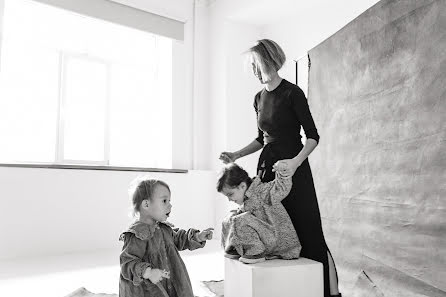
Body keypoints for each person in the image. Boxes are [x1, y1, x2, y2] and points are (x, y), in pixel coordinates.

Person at [219, 39, 341, 297]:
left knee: (309, 231)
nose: (253, 70)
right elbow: (261, 138)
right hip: (267, 168)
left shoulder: (292, 93)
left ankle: (330, 293)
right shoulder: (257, 98)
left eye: (256, 64)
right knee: (274, 229)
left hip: (294, 168)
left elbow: (313, 137)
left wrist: (295, 164)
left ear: (269, 60)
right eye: (250, 66)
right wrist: (236, 154)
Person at [119, 178, 214, 297]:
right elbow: (127, 262)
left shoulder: (163, 228)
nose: (170, 205)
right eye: (164, 201)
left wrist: (197, 237)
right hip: (149, 289)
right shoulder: (137, 234)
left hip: (171, 280)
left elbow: (179, 239)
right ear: (146, 204)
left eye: (169, 201)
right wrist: (147, 272)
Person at [217, 163, 301, 264]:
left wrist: (282, 171)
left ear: (242, 186)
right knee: (230, 218)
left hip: (277, 239)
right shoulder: (246, 201)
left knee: (240, 219)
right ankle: (234, 247)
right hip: (265, 239)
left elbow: (281, 188)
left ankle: (255, 253)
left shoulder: (263, 191)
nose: (229, 199)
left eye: (230, 194)